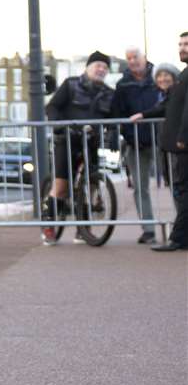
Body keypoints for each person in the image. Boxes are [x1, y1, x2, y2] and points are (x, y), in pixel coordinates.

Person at [46, 52, 114, 246]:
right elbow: (52, 107)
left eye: (105, 67)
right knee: (61, 187)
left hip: (91, 142)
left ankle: (83, 229)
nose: (101, 69)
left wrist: (114, 136)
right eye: (97, 65)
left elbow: (114, 118)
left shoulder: (109, 93)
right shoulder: (70, 84)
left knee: (90, 185)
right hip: (67, 140)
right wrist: (58, 124)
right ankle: (49, 224)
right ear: (88, 67)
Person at [135, 33, 188, 252]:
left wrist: (183, 138)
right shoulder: (184, 74)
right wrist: (144, 114)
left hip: (184, 144)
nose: (182, 48)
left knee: (184, 191)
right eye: (181, 44)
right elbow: (170, 105)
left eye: (186, 44)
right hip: (180, 143)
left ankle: (178, 239)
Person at [110, 47, 160, 243]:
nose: (132, 61)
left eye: (135, 57)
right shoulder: (123, 84)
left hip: (161, 139)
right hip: (136, 142)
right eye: (128, 58)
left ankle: (181, 227)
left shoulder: (159, 76)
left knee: (179, 185)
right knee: (140, 188)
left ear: (144, 58)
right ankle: (148, 229)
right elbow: (117, 112)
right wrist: (120, 134)